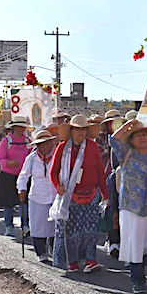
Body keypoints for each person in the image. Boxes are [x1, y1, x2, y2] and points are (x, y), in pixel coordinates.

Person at [48, 115, 110, 272]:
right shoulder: (62, 148)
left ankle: (91, 260)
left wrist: (105, 194)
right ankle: (72, 261)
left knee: (90, 230)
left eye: (83, 129)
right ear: (72, 130)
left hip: (90, 195)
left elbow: (100, 172)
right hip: (70, 196)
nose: (81, 132)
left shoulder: (92, 147)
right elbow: (54, 172)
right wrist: (58, 187)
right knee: (71, 231)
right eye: (78, 129)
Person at [110, 119, 147, 294]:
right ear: (131, 140)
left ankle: (138, 265)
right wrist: (126, 126)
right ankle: (137, 279)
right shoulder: (126, 153)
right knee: (135, 244)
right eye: (137, 135)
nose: (142, 138)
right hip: (131, 206)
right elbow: (113, 140)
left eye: (145, 135)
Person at [17, 130, 58, 263]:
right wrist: (21, 189)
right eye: (41, 144)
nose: (44, 147)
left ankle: (54, 249)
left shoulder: (57, 156)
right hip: (37, 196)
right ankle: (41, 252)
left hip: (55, 196)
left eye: (46, 143)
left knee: (54, 225)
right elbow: (23, 175)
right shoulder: (32, 158)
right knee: (38, 226)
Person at [0, 116, 33, 237]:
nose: (21, 129)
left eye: (23, 127)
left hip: (23, 176)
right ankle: (8, 227)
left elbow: (32, 156)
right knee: (8, 203)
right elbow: (0, 159)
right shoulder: (6, 141)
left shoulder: (28, 141)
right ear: (14, 127)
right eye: (19, 127)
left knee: (24, 202)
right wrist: (10, 163)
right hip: (8, 176)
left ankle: (25, 226)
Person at [99, 109, 124, 257]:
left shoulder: (125, 138)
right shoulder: (102, 138)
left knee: (122, 210)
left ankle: (120, 241)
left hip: (123, 178)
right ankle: (112, 240)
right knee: (111, 209)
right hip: (107, 177)